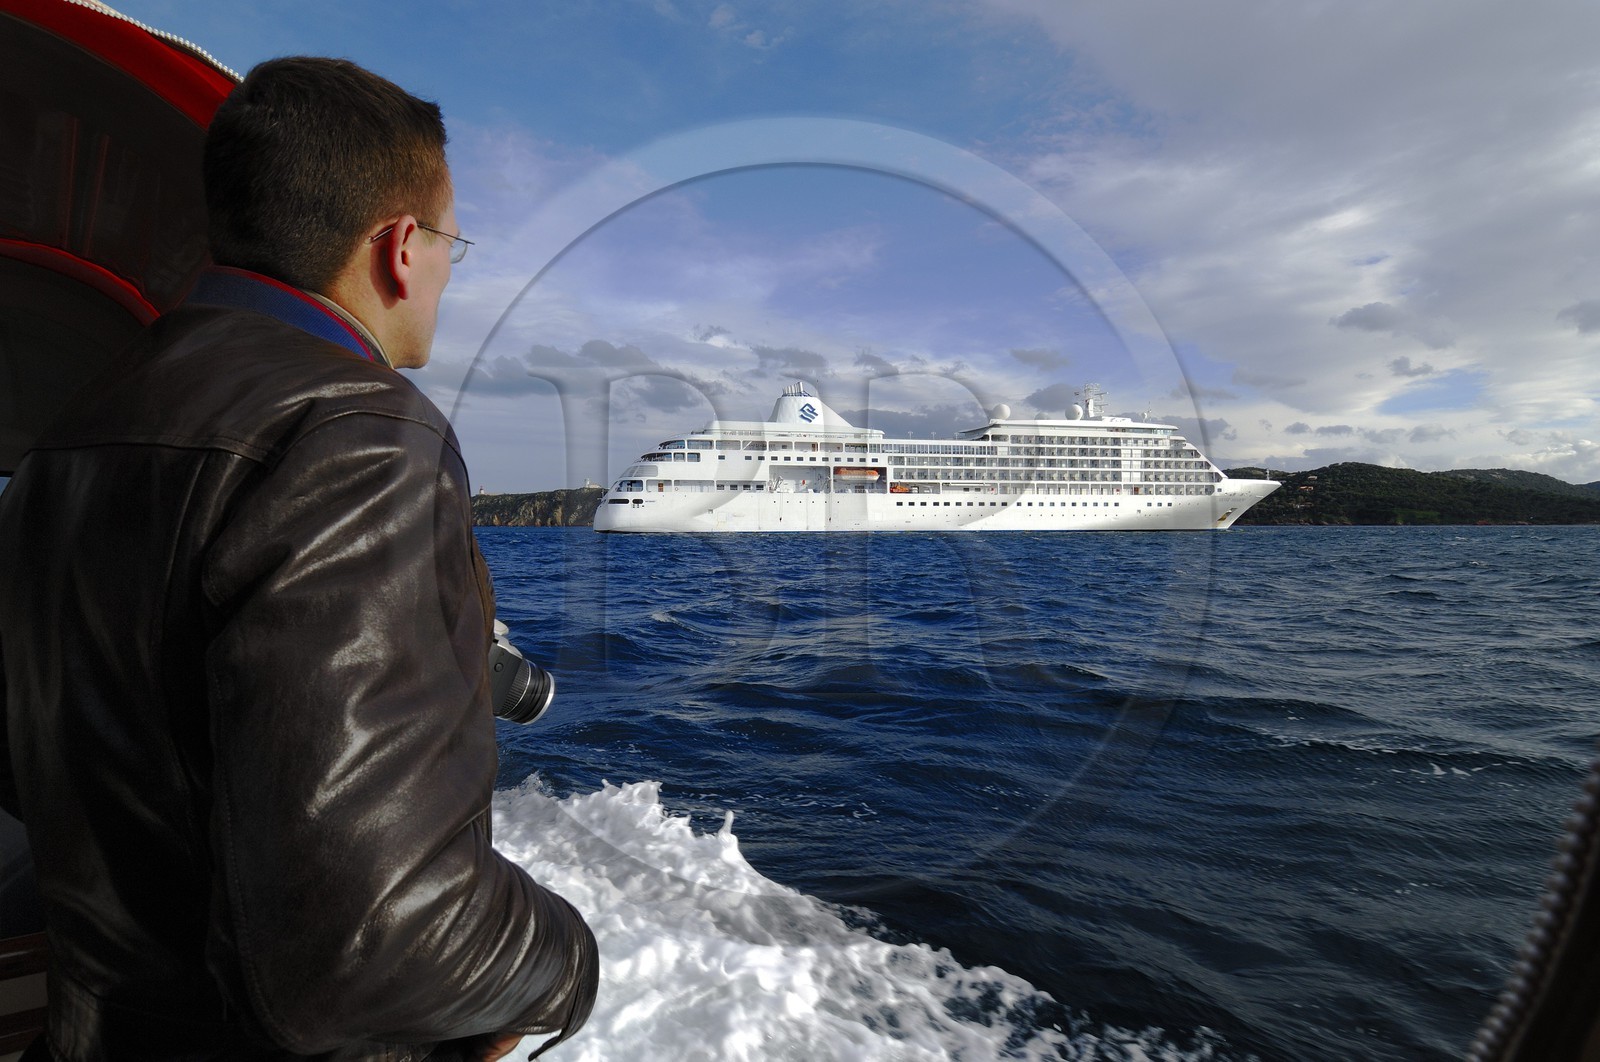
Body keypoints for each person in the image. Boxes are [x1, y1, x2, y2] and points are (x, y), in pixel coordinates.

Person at [0, 57, 597, 1061]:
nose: (449, 271)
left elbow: (33, 773)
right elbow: (375, 944)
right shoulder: (352, 432)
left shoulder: (64, 443)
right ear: (402, 248)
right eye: (454, 244)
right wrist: (569, 965)